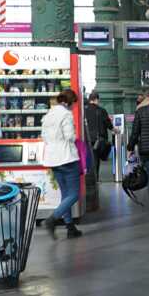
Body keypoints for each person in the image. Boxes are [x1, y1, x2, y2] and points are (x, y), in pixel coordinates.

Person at [42, 88, 83, 238]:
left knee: (65, 194)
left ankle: (70, 227)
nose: (73, 106)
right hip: (67, 157)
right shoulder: (66, 114)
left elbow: (44, 137)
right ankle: (52, 219)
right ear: (68, 102)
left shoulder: (49, 114)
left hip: (52, 159)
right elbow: (70, 136)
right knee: (74, 194)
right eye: (73, 103)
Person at [84, 91, 114, 172]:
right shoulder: (101, 110)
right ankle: (95, 177)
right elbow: (108, 124)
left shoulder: (84, 110)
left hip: (86, 138)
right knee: (96, 158)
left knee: (88, 158)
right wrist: (114, 129)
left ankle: (89, 176)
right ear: (96, 99)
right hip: (98, 139)